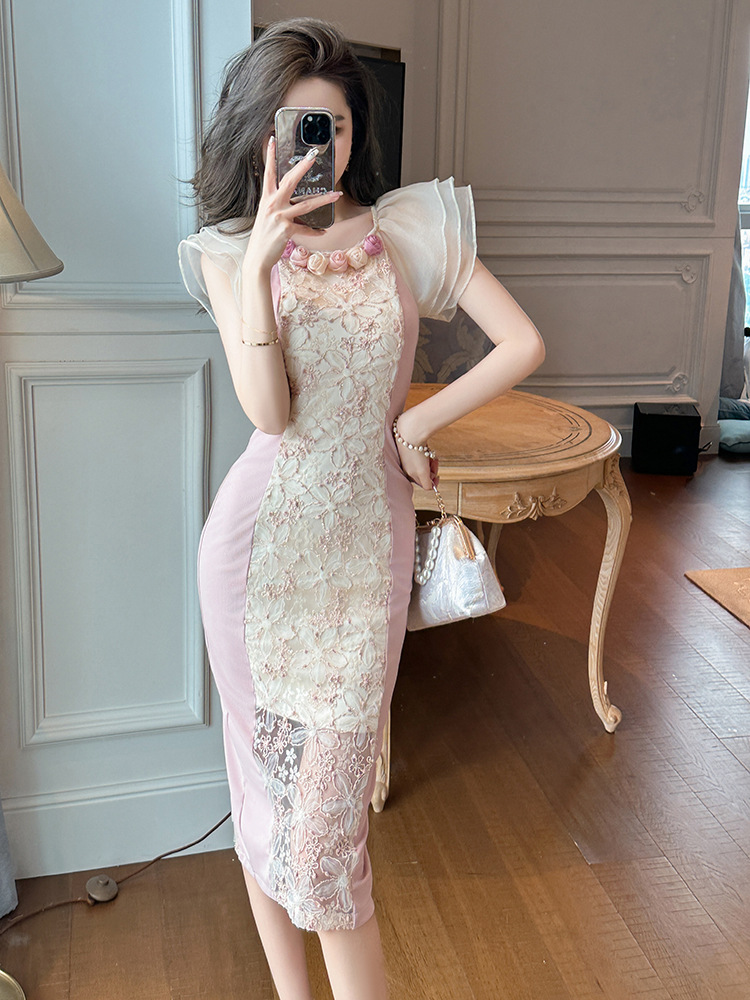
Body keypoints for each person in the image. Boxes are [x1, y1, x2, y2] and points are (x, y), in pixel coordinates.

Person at [178, 17, 545, 1000]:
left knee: (328, 839)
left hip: (364, 559)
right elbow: (270, 414)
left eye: (335, 127)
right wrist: (262, 261)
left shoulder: (406, 230)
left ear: (355, 133)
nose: (320, 148)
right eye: (300, 127)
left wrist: (417, 422)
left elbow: (522, 343)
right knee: (260, 792)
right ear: (258, 132)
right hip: (255, 559)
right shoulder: (226, 254)